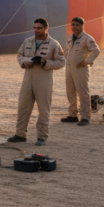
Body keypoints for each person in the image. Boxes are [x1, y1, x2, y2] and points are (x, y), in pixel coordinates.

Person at [8, 18, 65, 147]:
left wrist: (45, 63)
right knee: (23, 106)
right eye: (34, 28)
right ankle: (20, 134)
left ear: (46, 28)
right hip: (28, 76)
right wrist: (24, 62)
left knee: (43, 109)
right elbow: (19, 55)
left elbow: (61, 61)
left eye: (39, 28)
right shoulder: (27, 41)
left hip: (44, 78)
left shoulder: (53, 44)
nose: (36, 30)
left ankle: (42, 137)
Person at [61, 16, 101, 125]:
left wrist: (87, 61)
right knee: (70, 92)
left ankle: (85, 117)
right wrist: (67, 61)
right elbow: (65, 50)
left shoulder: (87, 38)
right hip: (69, 68)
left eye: (77, 25)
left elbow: (96, 51)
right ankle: (73, 115)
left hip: (81, 69)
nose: (75, 27)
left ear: (82, 26)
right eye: (73, 25)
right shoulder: (69, 38)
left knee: (83, 92)